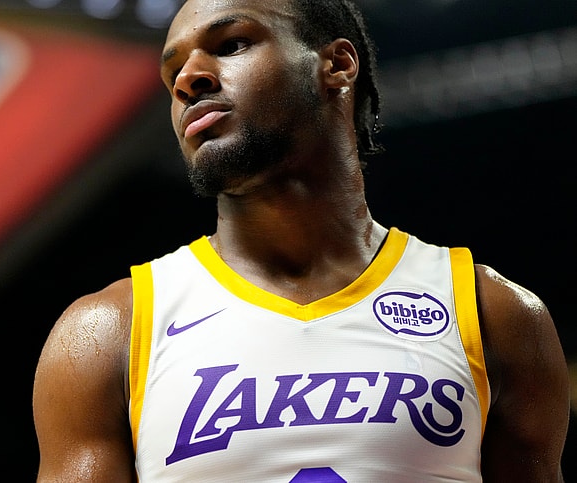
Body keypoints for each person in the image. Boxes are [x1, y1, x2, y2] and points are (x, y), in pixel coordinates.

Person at [32, 0, 571, 481]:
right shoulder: (108, 333)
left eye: (231, 45)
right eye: (173, 70)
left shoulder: (492, 312)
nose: (189, 79)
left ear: (336, 65)